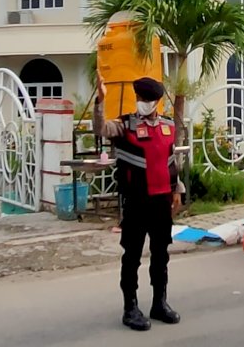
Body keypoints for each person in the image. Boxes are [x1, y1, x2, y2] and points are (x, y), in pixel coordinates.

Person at [93, 73, 185, 332]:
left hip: (161, 203)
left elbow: (170, 162)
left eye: (147, 99)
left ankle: (159, 302)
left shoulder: (167, 127)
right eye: (140, 98)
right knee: (132, 256)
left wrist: (176, 189)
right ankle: (130, 307)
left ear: (156, 101)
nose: (143, 102)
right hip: (136, 202)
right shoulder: (125, 126)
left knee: (160, 255)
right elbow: (100, 128)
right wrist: (100, 102)